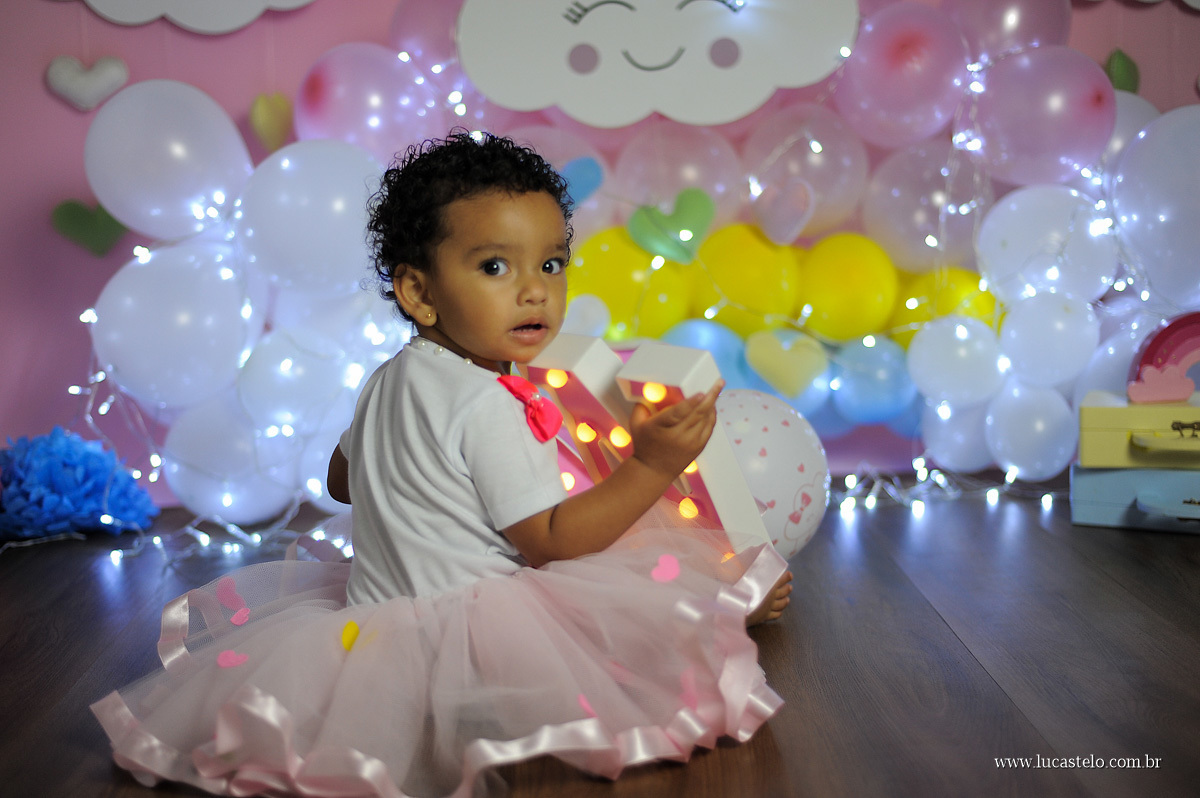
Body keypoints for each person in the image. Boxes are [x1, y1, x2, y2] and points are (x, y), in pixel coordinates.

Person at [91, 130, 792, 798]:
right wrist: (653, 464)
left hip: (372, 622)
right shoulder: (488, 403)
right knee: (630, 601)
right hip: (479, 627)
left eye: (550, 264)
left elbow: (341, 482)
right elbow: (553, 543)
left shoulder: (388, 377)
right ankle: (726, 610)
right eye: (495, 267)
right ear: (419, 293)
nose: (534, 290)